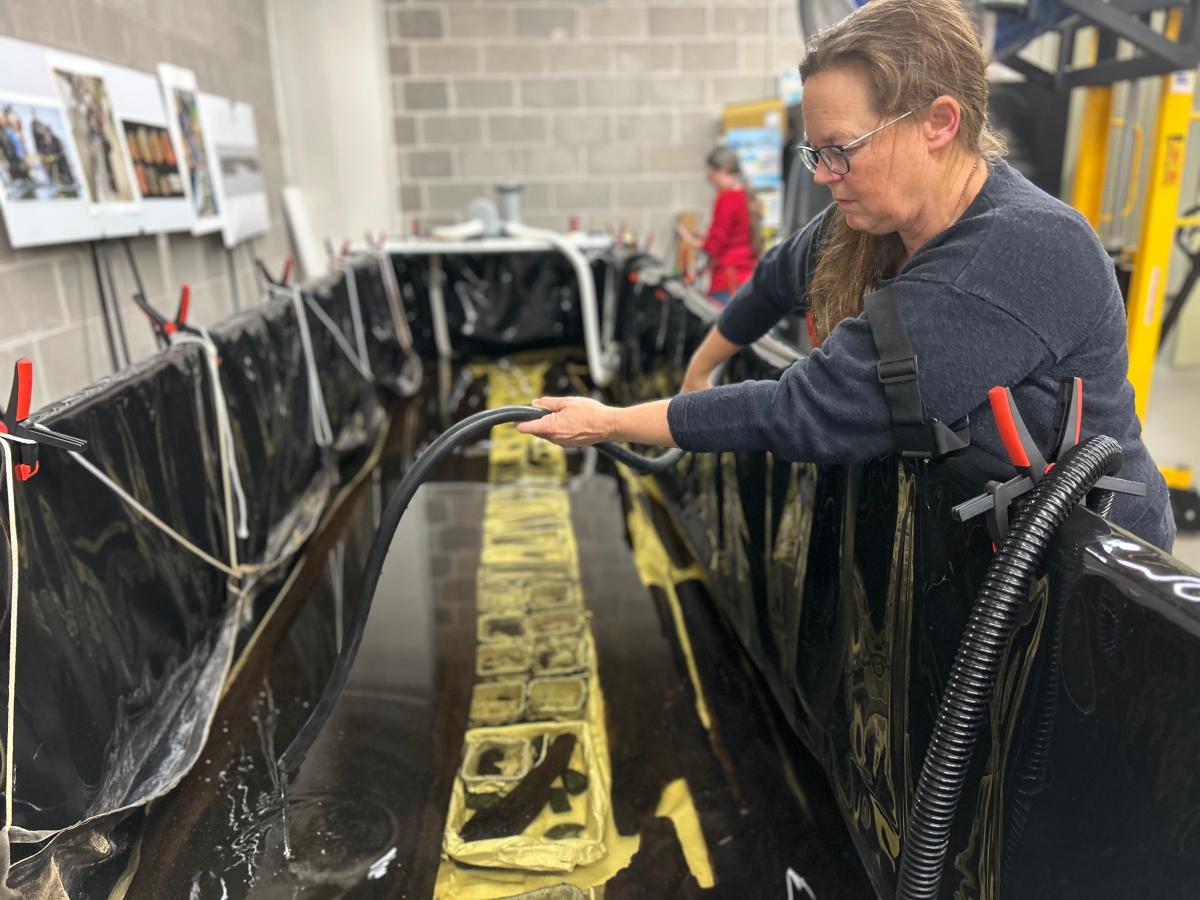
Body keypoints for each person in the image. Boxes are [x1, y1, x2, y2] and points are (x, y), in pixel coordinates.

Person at [518, 0, 1174, 551]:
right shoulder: (875, 220)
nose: (824, 176)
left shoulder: (1024, 250)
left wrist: (610, 423)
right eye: (816, 152)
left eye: (842, 151)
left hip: (1092, 563)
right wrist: (706, 359)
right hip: (993, 533)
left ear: (939, 123)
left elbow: (812, 410)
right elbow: (780, 274)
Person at [675, 147, 761, 304]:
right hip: (745, 277)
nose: (711, 181)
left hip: (727, 280)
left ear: (723, 171)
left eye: (711, 175)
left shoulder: (727, 199)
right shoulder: (745, 195)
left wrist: (688, 239)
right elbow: (734, 235)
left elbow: (714, 246)